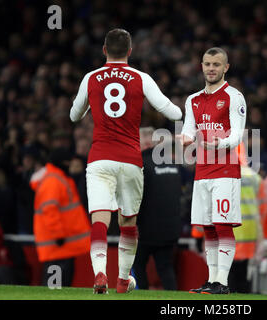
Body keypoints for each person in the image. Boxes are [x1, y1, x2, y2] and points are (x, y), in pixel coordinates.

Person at [69, 29, 182, 294]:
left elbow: (74, 115)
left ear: (104, 50)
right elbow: (170, 110)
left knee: (99, 219)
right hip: (131, 160)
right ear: (130, 51)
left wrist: (88, 105)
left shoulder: (91, 78)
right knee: (128, 222)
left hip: (99, 158)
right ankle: (122, 280)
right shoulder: (141, 78)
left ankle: (99, 274)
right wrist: (186, 112)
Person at [178, 47, 247, 294]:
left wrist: (220, 143)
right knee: (207, 226)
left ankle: (223, 282)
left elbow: (238, 133)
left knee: (222, 224)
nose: (211, 68)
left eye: (216, 64)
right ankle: (211, 280)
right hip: (202, 171)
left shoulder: (233, 96)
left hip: (226, 170)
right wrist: (183, 138)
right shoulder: (193, 100)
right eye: (207, 63)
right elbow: (189, 129)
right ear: (202, 65)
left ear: (226, 67)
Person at [29, 147, 91, 287]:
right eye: (69, 161)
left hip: (61, 247)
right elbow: (49, 211)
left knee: (59, 287)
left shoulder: (56, 178)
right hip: (57, 247)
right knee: (55, 289)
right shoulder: (53, 181)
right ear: (63, 162)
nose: (70, 164)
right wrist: (58, 235)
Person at [132, 127, 182, 290]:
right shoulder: (173, 164)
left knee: (137, 265)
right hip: (170, 229)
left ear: (145, 143)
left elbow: (136, 198)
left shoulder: (141, 164)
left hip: (146, 230)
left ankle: (142, 296)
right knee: (165, 267)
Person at [229, 143, 263, 293]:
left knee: (229, 277)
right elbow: (263, 205)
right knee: (245, 278)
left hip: (230, 234)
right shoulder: (255, 177)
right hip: (250, 234)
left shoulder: (224, 175)